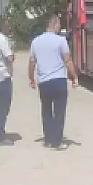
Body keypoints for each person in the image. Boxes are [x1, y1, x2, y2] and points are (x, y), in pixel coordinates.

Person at [28, 14, 78, 150]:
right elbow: (67, 60)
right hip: (59, 81)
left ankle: (48, 139)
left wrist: (31, 79)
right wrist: (74, 77)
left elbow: (32, 63)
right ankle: (57, 141)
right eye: (59, 25)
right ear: (55, 25)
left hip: (44, 82)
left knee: (46, 110)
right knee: (59, 111)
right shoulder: (61, 41)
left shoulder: (36, 42)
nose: (59, 27)